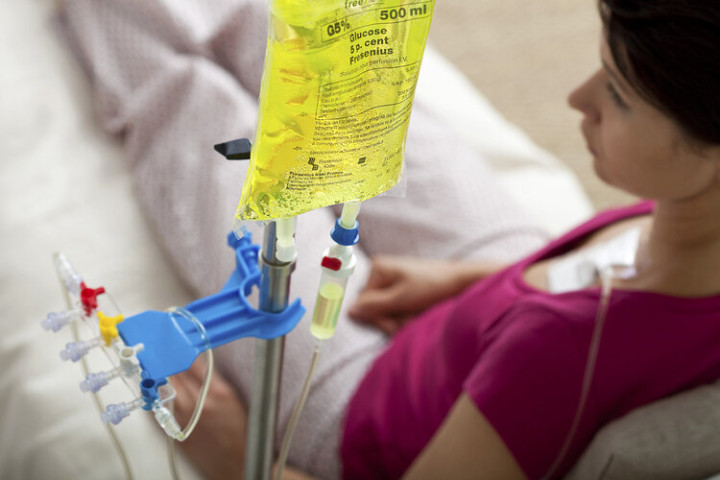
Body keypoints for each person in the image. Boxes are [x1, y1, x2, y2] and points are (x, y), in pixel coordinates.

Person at [58, 0, 720, 478]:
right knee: (317, 41)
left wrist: (238, 457)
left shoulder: (553, 357)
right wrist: (478, 285)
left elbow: (557, 354)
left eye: (619, 94)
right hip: (507, 283)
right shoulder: (693, 224)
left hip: (363, 412)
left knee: (186, 102)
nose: (579, 98)